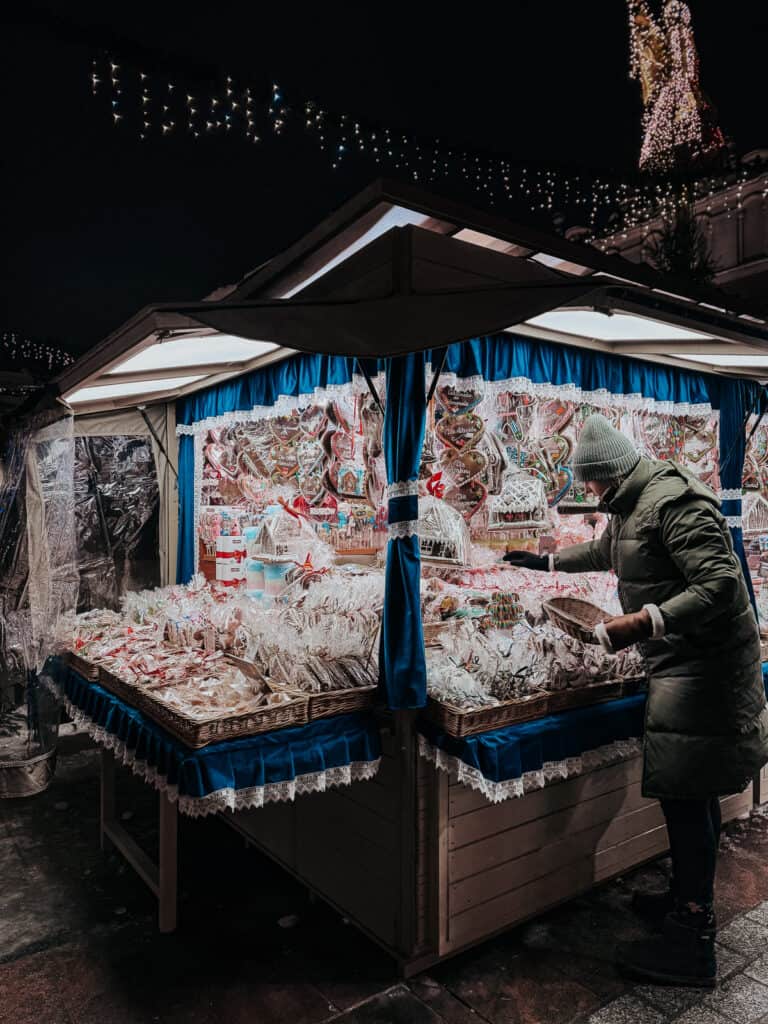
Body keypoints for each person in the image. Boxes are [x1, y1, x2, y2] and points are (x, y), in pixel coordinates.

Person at [504, 413, 768, 988]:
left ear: (610, 474)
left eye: (594, 485)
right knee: (687, 790)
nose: (594, 496)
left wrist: (644, 621)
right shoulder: (634, 500)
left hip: (707, 669)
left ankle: (692, 942)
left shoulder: (674, 503)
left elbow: (720, 585)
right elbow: (609, 551)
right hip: (682, 662)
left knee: (685, 793)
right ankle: (683, 898)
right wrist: (544, 562)